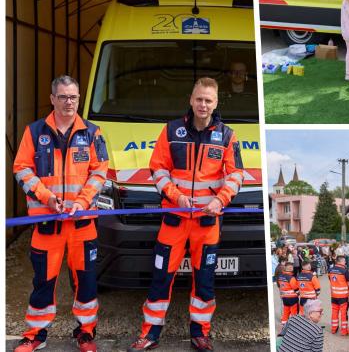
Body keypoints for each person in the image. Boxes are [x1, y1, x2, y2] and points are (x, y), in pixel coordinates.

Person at [128, 77, 243, 352]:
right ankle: (150, 334)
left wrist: (220, 200)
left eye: (209, 100)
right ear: (191, 100)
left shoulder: (227, 135)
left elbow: (236, 174)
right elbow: (157, 170)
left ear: (216, 104)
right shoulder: (171, 131)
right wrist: (175, 195)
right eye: (199, 99)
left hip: (207, 223)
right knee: (160, 279)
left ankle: (200, 334)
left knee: (204, 281)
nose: (203, 104)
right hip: (174, 220)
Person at [12, 76, 109, 352]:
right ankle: (35, 334)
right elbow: (21, 169)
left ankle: (86, 333)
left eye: (74, 97)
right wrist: (47, 197)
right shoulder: (34, 132)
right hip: (47, 222)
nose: (69, 102)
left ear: (79, 99)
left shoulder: (92, 132)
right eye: (64, 96)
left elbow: (100, 172)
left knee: (86, 282)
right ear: (52, 98)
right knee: (43, 280)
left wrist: (81, 201)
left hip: (82, 223)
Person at [328, 255, 349, 335]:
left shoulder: (330, 270)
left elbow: (330, 280)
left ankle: (334, 329)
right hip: (343, 296)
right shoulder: (344, 271)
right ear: (340, 261)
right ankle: (344, 331)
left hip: (334, 295)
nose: (345, 262)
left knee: (334, 312)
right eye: (344, 261)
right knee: (343, 313)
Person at [277, 262, 301, 327]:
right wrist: (299, 293)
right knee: (294, 313)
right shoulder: (291, 278)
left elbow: (280, 285)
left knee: (286, 312)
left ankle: (284, 325)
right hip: (292, 298)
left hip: (285, 298)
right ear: (290, 268)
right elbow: (295, 288)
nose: (292, 268)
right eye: (292, 267)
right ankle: (294, 326)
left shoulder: (280, 276)